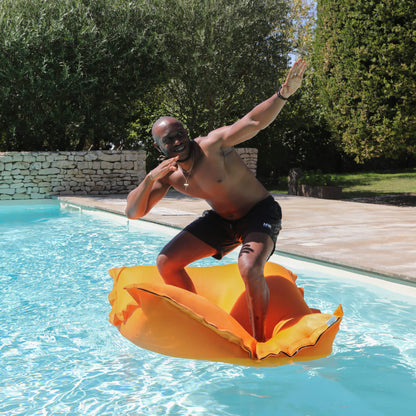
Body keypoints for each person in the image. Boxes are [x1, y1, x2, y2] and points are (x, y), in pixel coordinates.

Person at [126, 58, 307, 341]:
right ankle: (196, 319)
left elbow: (253, 121)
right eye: (169, 139)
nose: (177, 142)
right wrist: (149, 179)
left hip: (260, 213)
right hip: (223, 220)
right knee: (166, 261)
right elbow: (133, 213)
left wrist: (283, 94)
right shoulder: (167, 175)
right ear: (157, 146)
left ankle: (256, 339)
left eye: (180, 134)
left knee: (248, 266)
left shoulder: (213, 145)